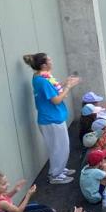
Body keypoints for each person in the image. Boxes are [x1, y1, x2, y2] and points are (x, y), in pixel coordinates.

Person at [23, 52, 80, 185]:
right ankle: (55, 175)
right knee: (60, 149)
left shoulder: (39, 76)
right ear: (44, 65)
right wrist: (68, 87)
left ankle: (59, 169)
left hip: (52, 118)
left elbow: (53, 88)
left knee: (59, 147)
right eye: (49, 60)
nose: (52, 61)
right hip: (51, 120)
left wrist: (65, 82)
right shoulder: (43, 81)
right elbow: (56, 100)